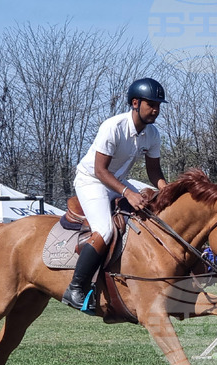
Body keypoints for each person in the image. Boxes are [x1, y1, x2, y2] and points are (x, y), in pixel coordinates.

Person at [63, 77, 169, 310]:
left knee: (150, 210)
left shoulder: (152, 134)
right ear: (134, 103)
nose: (156, 110)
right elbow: (100, 171)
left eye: (158, 105)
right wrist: (127, 193)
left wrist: (166, 189)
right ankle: (75, 288)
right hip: (92, 180)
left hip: (117, 181)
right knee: (105, 229)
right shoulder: (113, 126)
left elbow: (154, 171)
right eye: (151, 104)